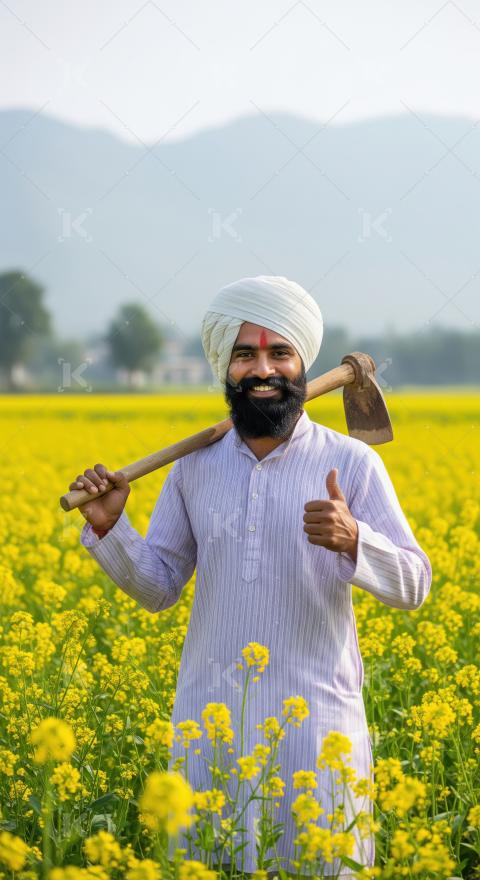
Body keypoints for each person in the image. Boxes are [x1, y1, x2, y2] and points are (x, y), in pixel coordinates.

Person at [73, 275, 432, 878]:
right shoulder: (193, 468)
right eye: (245, 354)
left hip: (318, 738)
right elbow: (160, 586)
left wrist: (355, 540)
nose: (262, 369)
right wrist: (113, 530)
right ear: (226, 367)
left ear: (301, 363)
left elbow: (415, 584)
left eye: (278, 352)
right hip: (209, 733)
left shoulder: (352, 463)